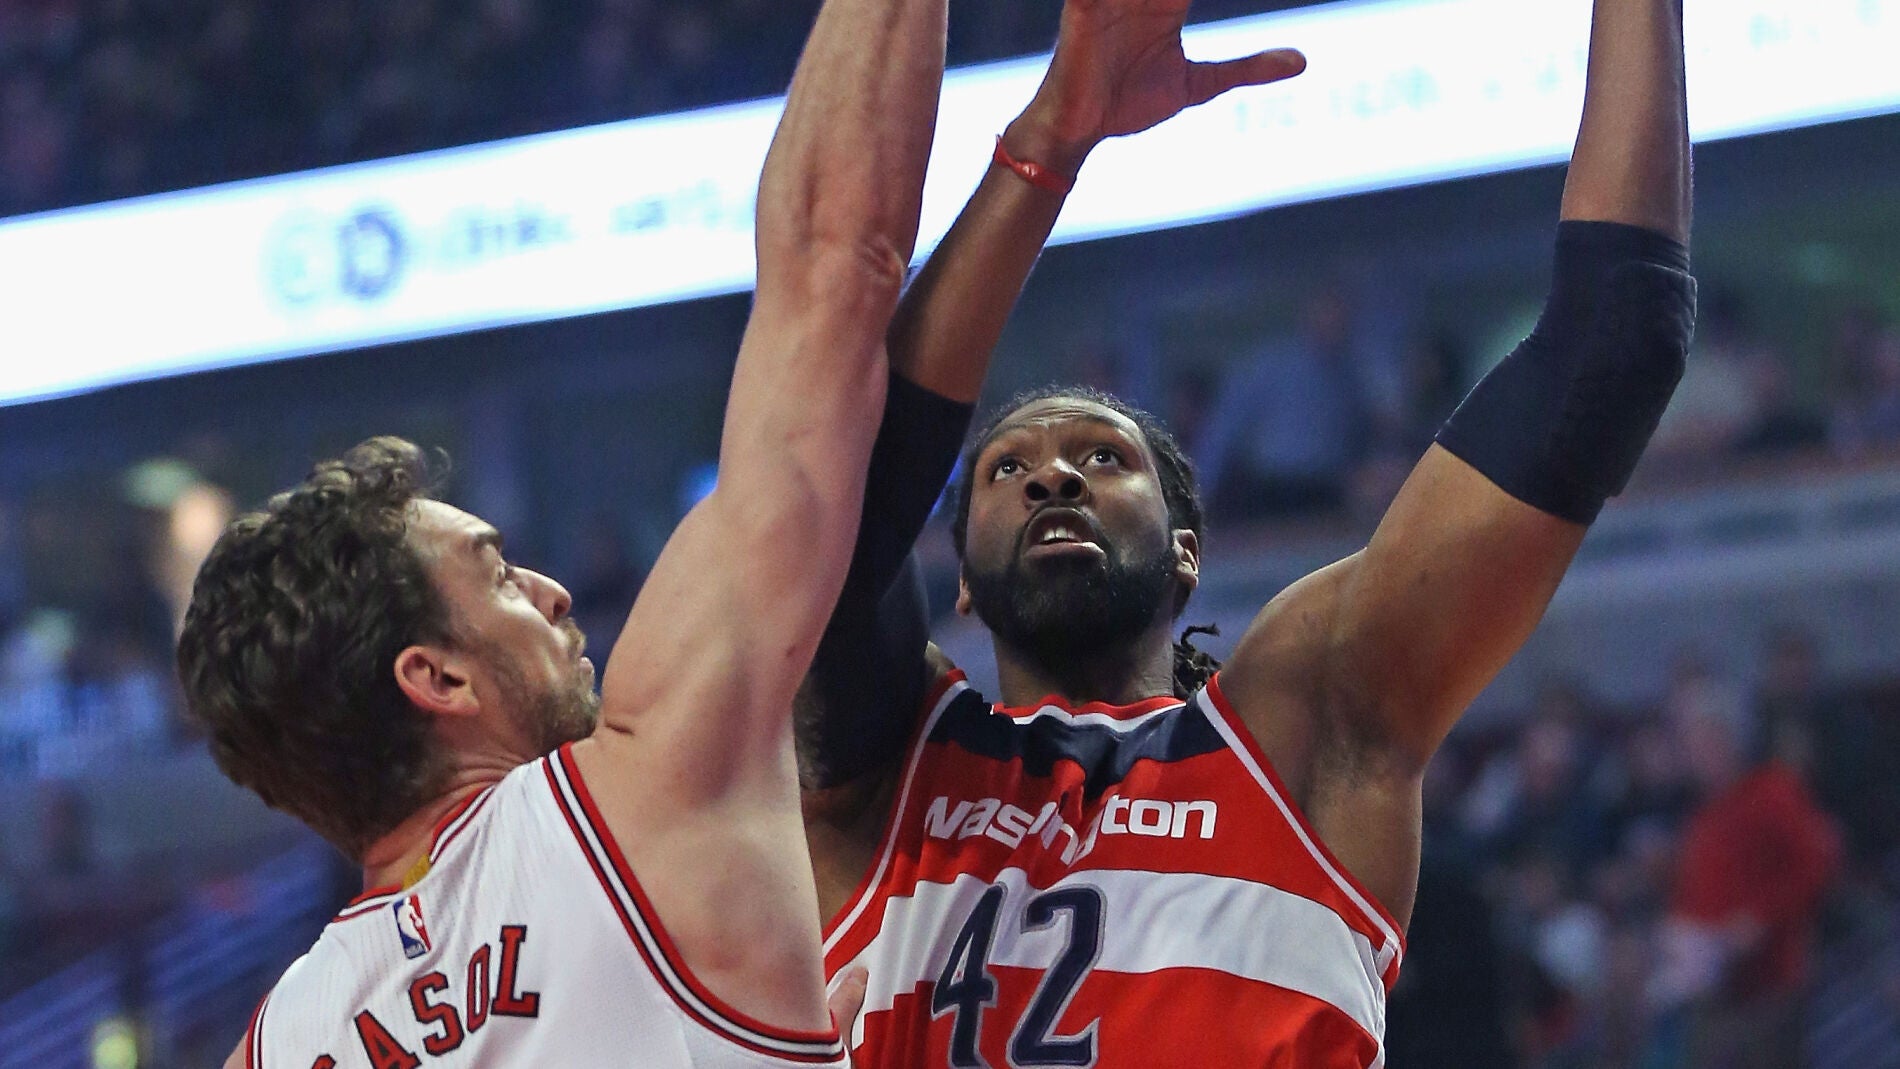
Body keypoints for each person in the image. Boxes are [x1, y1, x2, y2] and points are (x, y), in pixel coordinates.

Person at [797, 0, 1696, 1064]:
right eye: (1007, 468)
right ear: (959, 581)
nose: (1053, 476)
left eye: (1103, 459)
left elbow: (1614, 343)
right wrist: (1048, 142)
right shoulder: (894, 767)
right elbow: (836, 498)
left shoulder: (1304, 727)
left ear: (1186, 550)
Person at [173, 0, 950, 1058]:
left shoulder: (277, 1039)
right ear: (436, 678)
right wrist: (1041, 148)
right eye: (497, 576)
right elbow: (835, 267)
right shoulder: (641, 793)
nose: (553, 592)